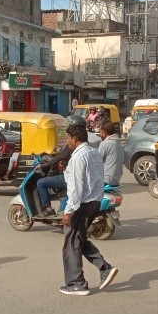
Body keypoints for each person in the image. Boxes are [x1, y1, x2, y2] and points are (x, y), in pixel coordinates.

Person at [59, 123, 118, 296]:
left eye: (68, 138)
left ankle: (76, 283)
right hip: (95, 202)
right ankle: (104, 268)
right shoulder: (94, 153)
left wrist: (68, 211)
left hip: (81, 204)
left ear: (75, 139)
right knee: (79, 239)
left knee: (71, 243)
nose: (67, 141)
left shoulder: (79, 157)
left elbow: (77, 188)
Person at [34, 115, 85, 219]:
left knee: (41, 183)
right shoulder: (84, 141)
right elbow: (64, 155)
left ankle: (48, 209)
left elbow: (62, 155)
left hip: (71, 177)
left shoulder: (74, 141)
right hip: (79, 176)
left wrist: (45, 165)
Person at [98, 120, 123, 186]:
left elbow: (97, 162)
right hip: (116, 179)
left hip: (106, 179)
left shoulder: (105, 144)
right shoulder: (119, 143)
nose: (100, 134)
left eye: (100, 132)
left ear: (104, 132)